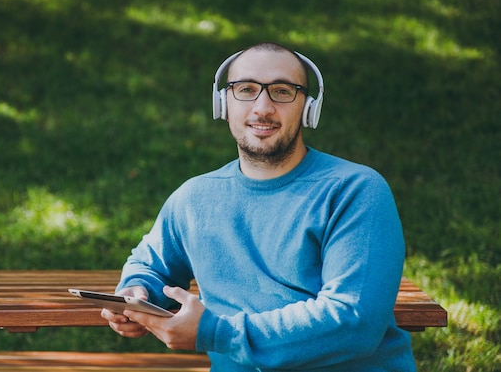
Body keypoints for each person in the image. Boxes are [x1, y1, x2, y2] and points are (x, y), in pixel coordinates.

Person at [101, 42, 416, 371]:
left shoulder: (355, 191)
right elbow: (149, 266)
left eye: (282, 91)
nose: (263, 108)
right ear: (222, 103)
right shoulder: (194, 198)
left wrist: (217, 333)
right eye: (246, 89)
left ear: (309, 108)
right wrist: (137, 295)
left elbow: (353, 320)